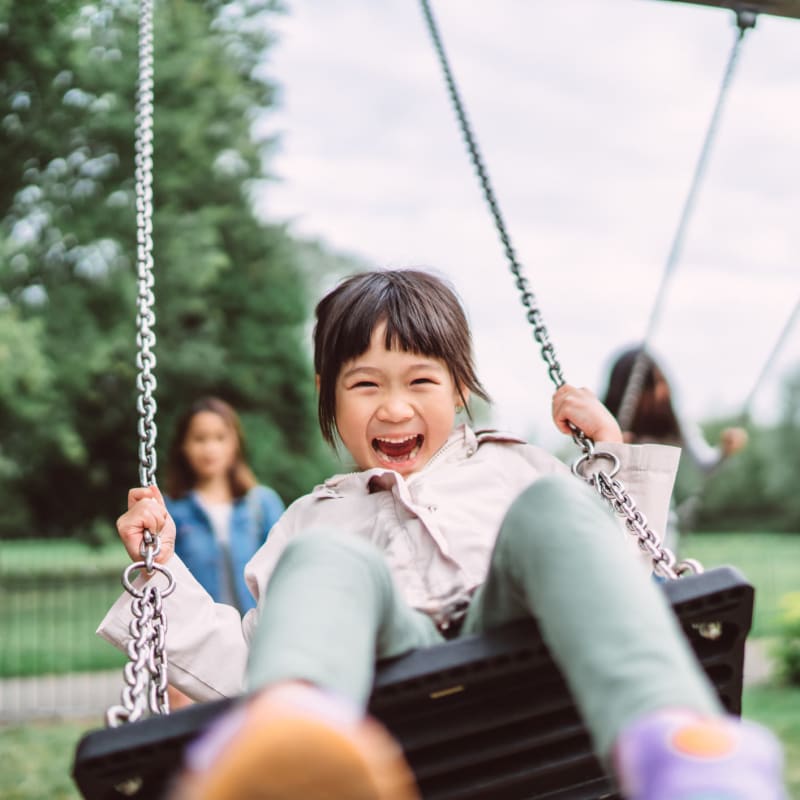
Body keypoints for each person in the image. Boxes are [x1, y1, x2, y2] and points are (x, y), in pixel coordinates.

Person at [99, 269, 785, 800]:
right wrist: (162, 576)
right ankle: (295, 735)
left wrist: (614, 462)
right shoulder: (310, 518)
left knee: (556, 507)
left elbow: (613, 587)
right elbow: (246, 661)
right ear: (329, 395)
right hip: (386, 679)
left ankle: (677, 746)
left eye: (420, 380)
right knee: (324, 558)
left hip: (518, 650)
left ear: (458, 388)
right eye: (364, 384)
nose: (394, 407)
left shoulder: (516, 465)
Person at [602, 346, 748, 550]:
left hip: (658, 527)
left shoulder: (674, 423)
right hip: (612, 522)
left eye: (661, 382)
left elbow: (706, 465)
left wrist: (725, 450)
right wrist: (611, 446)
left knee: (658, 576)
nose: (660, 392)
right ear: (625, 390)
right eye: (650, 386)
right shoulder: (606, 423)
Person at [164, 396, 285, 615]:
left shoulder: (261, 504)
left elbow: (283, 572)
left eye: (220, 438)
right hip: (198, 636)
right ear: (183, 446)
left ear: (234, 443)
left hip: (255, 637)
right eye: (199, 439)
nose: (210, 448)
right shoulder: (171, 509)